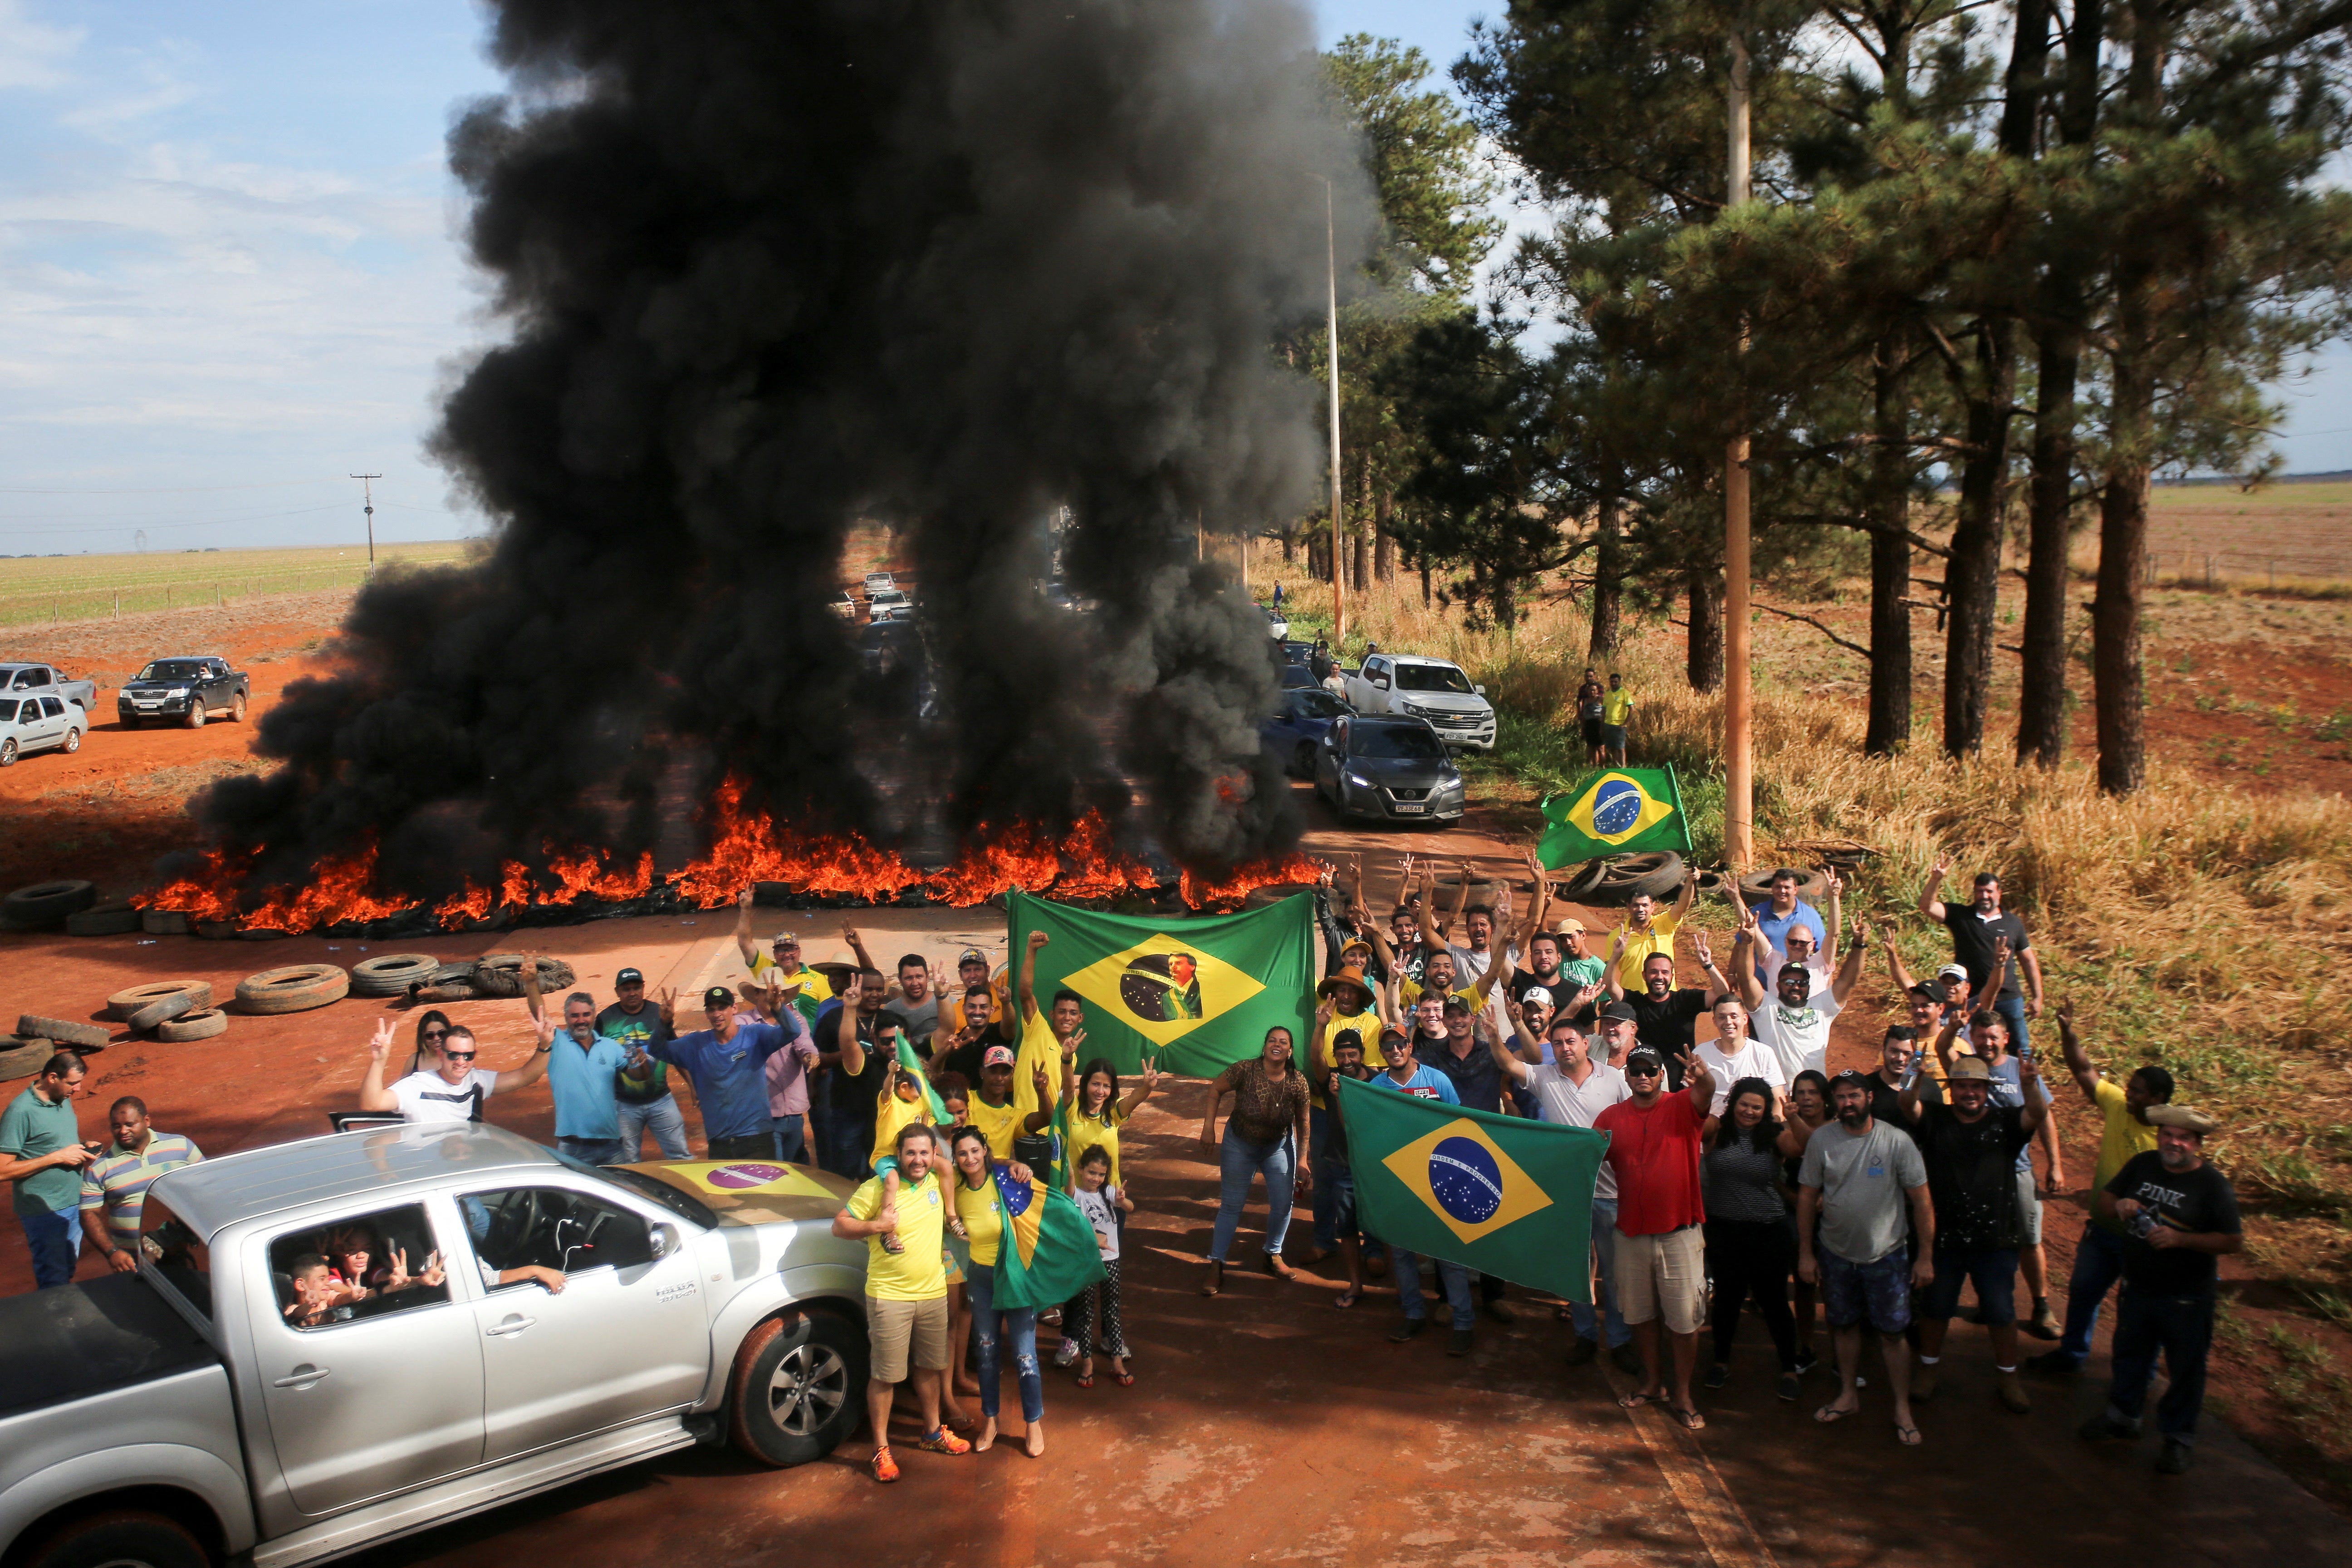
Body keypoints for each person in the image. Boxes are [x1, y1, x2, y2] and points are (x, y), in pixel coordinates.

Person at [2078, 1105, 2241, 1473]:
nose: (2174, 1143)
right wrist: (2119, 1204)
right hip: (2138, 1286)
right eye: (2168, 1135)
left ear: (2198, 1144)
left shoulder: (2212, 1185)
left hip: (2187, 1296)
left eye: (2183, 1138)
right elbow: (2104, 1200)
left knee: (2185, 1368)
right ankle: (2123, 1418)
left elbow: (2232, 1241)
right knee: (2129, 1355)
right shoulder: (2143, 1164)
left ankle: (2178, 1438)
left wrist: (2182, 1240)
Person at [1490, 1013, 1640, 1372]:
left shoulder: (1615, 1079)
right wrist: (1496, 1035)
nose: (1564, 1049)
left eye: (1571, 1042)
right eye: (1558, 1043)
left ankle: (1620, 1340)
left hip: (1611, 1192)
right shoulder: (1544, 1077)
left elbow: (1638, 1116)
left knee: (1615, 1273)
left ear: (1586, 1044)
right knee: (1577, 1267)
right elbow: (1508, 1063)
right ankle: (1585, 1335)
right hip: (1568, 1194)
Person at [1900, 1053, 2046, 1414]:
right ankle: (1928, 1371)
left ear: (1987, 1090)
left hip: (1995, 1240)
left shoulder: (2007, 1122)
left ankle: (2008, 1378)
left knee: (2001, 1311)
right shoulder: (1935, 1119)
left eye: (1976, 1087)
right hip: (1943, 1239)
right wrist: (1914, 1078)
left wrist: (2029, 1085)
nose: (1969, 1093)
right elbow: (1907, 1104)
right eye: (1963, 1086)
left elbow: (2038, 1114)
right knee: (1936, 1309)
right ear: (1952, 1091)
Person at [2033, 1003, 2172, 1376]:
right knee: (2082, 1296)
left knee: (2136, 1313)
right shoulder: (2117, 1106)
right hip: (2102, 1232)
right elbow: (2082, 1070)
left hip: (2140, 1242)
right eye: (2129, 1088)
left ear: (2159, 1098)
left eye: (2139, 1092)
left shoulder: (2169, 1138)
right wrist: (2067, 1032)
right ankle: (2072, 1356)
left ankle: (2136, 1377)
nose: (2129, 1094)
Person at [1798, 1069, 1934, 1445]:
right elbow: (1808, 1196)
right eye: (1840, 1098)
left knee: (1893, 1335)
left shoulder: (1896, 1141)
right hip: (1836, 1254)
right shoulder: (1821, 1141)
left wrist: (1925, 1257)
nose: (1847, 1103)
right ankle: (1848, 1394)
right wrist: (1806, 1253)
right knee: (1842, 1327)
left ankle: (1902, 1407)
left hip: (1887, 1256)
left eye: (1854, 1096)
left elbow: (1922, 1200)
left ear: (1869, 1098)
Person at [834, 1122, 970, 1480]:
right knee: (886, 1376)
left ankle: (932, 1432)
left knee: (929, 1367)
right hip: (889, 1296)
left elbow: (956, 1166)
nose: (918, 1160)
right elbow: (840, 1225)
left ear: (933, 1155)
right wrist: (877, 1227)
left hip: (933, 1293)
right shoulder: (877, 1188)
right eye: (910, 1153)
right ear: (898, 1155)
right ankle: (881, 1449)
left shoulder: (938, 1184)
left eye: (924, 1152)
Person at [1594, 1045, 1717, 1429]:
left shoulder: (1682, 1107)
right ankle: (1652, 1383)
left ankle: (1682, 1393)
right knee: (1642, 1316)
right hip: (1631, 1234)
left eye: (1651, 1069)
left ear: (1662, 1074)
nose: (1643, 1076)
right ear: (1626, 1076)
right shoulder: (1611, 1118)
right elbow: (1579, 1155)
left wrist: (1705, 1076)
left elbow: (1706, 1093)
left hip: (1679, 1235)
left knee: (1684, 1321)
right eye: (1636, 1070)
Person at [1929, 1001, 2061, 1339]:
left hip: (2017, 1169)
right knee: (1979, 1239)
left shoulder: (2022, 1070)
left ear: (2005, 1038)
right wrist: (1952, 1027)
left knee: (2030, 1238)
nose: (1987, 1043)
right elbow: (1943, 1048)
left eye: (1993, 1037)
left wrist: (2056, 1164)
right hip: (1974, 1171)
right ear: (1971, 1037)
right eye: (1980, 1036)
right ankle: (1990, 1301)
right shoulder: (1967, 1069)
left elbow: (2042, 1115)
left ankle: (2041, 1304)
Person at [1364, 1034, 1480, 1355]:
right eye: (1388, 1047)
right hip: (1399, 1182)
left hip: (1439, 1178)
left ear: (1410, 1047)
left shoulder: (1437, 1080)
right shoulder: (1376, 1087)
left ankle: (1464, 1322)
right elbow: (1361, 1126)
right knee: (1402, 1253)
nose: (1395, 1051)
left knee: (1448, 1253)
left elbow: (1460, 1124)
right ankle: (1413, 1313)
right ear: (1382, 1052)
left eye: (1400, 1044)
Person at [1703, 1077, 1801, 1399]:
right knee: (1727, 1300)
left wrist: (1794, 1117)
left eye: (1757, 1107)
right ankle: (1720, 1362)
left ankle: (1790, 1367)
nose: (1749, 1112)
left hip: (1768, 1231)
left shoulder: (1775, 1134)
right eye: (1744, 1105)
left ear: (1765, 1110)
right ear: (1733, 1104)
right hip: (1723, 1229)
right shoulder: (1718, 1130)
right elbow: (1693, 1121)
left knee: (1773, 1301)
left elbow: (1800, 1147)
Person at [1199, 1027, 1312, 1295]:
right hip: (1240, 1145)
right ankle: (1217, 1262)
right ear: (1264, 1046)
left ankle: (1273, 1253)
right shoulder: (1245, 1070)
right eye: (1272, 1040)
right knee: (1232, 1205)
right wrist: (1208, 1127)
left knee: (1284, 1203)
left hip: (1278, 1147)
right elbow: (1216, 1088)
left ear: (1290, 1050)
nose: (1277, 1045)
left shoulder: (1298, 1082)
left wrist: (1304, 1158)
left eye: (1283, 1042)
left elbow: (1304, 1121)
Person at [654, 987, 829, 1160]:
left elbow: (793, 1031)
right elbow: (657, 1049)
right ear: (706, 1013)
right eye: (712, 1010)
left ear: (734, 1009)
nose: (717, 1014)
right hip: (719, 1142)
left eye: (722, 1008)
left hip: (757, 1138)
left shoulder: (755, 1035)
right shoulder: (696, 1044)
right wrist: (664, 1023)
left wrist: (777, 1006)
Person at [1727, 908, 1869, 1084]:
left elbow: (1848, 981)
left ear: (1808, 987)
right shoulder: (1766, 1008)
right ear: (1778, 986)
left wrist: (1859, 946)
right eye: (1789, 983)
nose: (1796, 987)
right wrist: (1748, 943)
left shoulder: (1822, 1008)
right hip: (1776, 1094)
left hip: (1814, 1095)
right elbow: (1746, 978)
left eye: (1802, 983)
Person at [1918, 857, 2044, 1054]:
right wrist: (1936, 879)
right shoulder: (1961, 916)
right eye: (1979, 891)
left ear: (1999, 894)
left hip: (2009, 997)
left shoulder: (2013, 923)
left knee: (2021, 1049)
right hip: (1974, 1000)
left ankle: (2027, 1083)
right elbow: (1927, 906)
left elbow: (2028, 960)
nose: (1984, 896)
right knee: (1970, 1048)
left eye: (1989, 892)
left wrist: (2038, 997)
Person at [1, 1054, 95, 1288]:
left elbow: (54, 1141)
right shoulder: (20, 1112)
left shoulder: (63, 1098)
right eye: (73, 1083)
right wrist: (55, 1158)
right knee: (54, 1279)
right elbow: (2, 1170)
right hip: (45, 1211)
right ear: (53, 1078)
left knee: (68, 1265)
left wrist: (83, 1146)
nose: (78, 1089)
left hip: (75, 1202)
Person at [78, 1097, 202, 1274]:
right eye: (116, 1126)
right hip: (133, 1265)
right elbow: (89, 1214)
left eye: (130, 1124)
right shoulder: (100, 1168)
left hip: (184, 1254)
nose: (123, 1131)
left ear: (147, 1121)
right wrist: (112, 1252)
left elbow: (207, 1186)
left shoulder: (181, 1147)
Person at [358, 1015, 552, 1125]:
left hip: (463, 1168)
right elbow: (372, 1103)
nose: (461, 1061)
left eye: (468, 1056)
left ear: (475, 1056)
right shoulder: (417, 1085)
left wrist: (545, 1046)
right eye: (454, 1055)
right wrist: (379, 1061)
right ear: (441, 1055)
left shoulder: (476, 1080)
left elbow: (527, 1076)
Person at [1306, 1028, 1379, 1308]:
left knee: (1378, 1219)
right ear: (1334, 1056)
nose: (1347, 1059)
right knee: (1347, 1225)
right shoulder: (1331, 1080)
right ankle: (1355, 1284)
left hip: (1374, 1165)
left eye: (1352, 1054)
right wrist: (1321, 1026)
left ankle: (1376, 1256)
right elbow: (1315, 1057)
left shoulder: (1377, 1081)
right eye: (1341, 1055)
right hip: (1344, 1164)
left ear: (1362, 1054)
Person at [817, 966, 910, 1176]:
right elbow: (818, 1058)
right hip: (847, 1106)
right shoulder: (834, 1018)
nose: (875, 994)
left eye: (879, 989)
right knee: (845, 1171)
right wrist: (850, 1053)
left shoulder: (889, 1020)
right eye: (868, 989)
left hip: (882, 1113)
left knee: (878, 1171)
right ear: (857, 989)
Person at [598, 970, 690, 1161]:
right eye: (626, 989)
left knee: (680, 1157)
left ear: (643, 988)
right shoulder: (605, 1019)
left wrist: (692, 1085)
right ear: (617, 991)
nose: (632, 993)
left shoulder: (659, 1013)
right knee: (628, 1163)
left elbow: (675, 1051)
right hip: (624, 1105)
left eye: (636, 988)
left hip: (661, 1100)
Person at [1777, 1068, 1833, 1373]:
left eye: (1813, 1092)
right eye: (1801, 1093)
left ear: (1825, 1098)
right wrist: (1802, 1202)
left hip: (1835, 1217)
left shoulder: (1839, 1128)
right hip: (1795, 1214)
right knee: (1804, 1284)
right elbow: (1806, 1148)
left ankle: (1843, 1355)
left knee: (1837, 1287)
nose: (1807, 1098)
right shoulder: (1786, 1130)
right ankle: (1808, 1346)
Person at [1063, 1144, 1133, 1387]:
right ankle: (1087, 1362)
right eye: (1092, 1172)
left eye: (1101, 1174)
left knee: (1112, 1310)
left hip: (1110, 1262)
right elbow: (1069, 1183)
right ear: (1082, 1169)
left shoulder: (1109, 1192)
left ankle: (1116, 1360)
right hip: (1087, 1263)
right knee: (1085, 1312)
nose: (1096, 1178)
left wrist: (1122, 1201)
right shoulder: (1076, 1195)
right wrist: (1069, 1171)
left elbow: (1131, 1208)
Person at [544, 990, 630, 1165]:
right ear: (566, 1018)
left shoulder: (610, 1046)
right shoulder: (557, 1043)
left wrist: (641, 1064)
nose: (581, 1021)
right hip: (574, 1147)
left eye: (586, 1015)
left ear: (594, 1016)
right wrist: (531, 984)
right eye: (575, 1016)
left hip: (612, 1146)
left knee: (620, 1191)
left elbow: (637, 1075)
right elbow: (539, 1012)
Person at [734, 890, 826, 1028]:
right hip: (774, 1044)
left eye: (791, 949)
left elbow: (828, 1014)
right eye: (781, 950)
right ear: (775, 954)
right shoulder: (765, 969)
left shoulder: (818, 979)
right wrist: (746, 909)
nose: (787, 954)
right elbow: (745, 943)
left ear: (799, 951)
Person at [1012, 931, 1076, 1126]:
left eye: (1073, 1013)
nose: (1067, 1017)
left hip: (1053, 1134)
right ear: (1051, 1015)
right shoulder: (1037, 1029)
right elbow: (1025, 993)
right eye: (1062, 1012)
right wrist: (1031, 950)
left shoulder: (1072, 1057)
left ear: (1080, 1019)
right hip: (1026, 1128)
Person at [761, 980, 823, 1161]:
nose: (773, 997)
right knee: (777, 1171)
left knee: (796, 1168)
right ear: (757, 995)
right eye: (767, 993)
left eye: (777, 994)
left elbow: (803, 1044)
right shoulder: (744, 1023)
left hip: (794, 1112)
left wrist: (810, 1056)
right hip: (764, 1115)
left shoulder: (796, 1019)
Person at [1693, 995, 1785, 1115]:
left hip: (1753, 1124)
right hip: (1713, 1126)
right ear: (1715, 1021)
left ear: (1745, 1019)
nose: (1728, 1022)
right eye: (1722, 1017)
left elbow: (1778, 1100)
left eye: (1734, 1016)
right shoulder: (1701, 1053)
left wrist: (1773, 1129)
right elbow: (1690, 1100)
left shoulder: (1764, 1053)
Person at [1610, 869, 1696, 990]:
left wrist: (1690, 882)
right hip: (1633, 1000)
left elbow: (1682, 906)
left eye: (1645, 905)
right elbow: (1609, 969)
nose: (1641, 909)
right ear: (1628, 906)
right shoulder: (1616, 936)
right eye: (1636, 905)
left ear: (1653, 907)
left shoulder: (1665, 924)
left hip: (1666, 998)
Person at [1746, 867, 1828, 988]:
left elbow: (1823, 953)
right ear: (1772, 888)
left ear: (1796, 890)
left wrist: (1826, 985)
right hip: (1762, 985)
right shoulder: (1758, 913)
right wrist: (1732, 973)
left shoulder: (1811, 916)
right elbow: (1742, 944)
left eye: (1787, 887)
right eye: (1778, 887)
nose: (1782, 891)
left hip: (1797, 988)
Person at [1859, 1027, 1942, 1130]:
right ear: (1883, 1051)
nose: (1900, 1059)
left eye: (1907, 1054)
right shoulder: (1864, 1087)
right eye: (1894, 1051)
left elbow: (1938, 1130)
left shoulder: (1931, 1089)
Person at [405, 1010, 455, 1076]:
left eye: (442, 1034)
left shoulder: (459, 1057)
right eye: (430, 1035)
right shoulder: (413, 1061)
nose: (436, 1039)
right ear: (423, 1037)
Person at [1600, 670, 1633, 765]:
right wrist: (1602, 726)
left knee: (1620, 748)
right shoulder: (1608, 694)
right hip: (1608, 724)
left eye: (1616, 682)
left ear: (1619, 682)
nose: (1614, 684)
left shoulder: (1624, 693)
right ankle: (1616, 767)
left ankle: (1623, 767)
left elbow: (1632, 710)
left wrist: (1625, 724)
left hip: (1619, 725)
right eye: (1612, 682)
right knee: (1612, 748)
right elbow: (1604, 710)